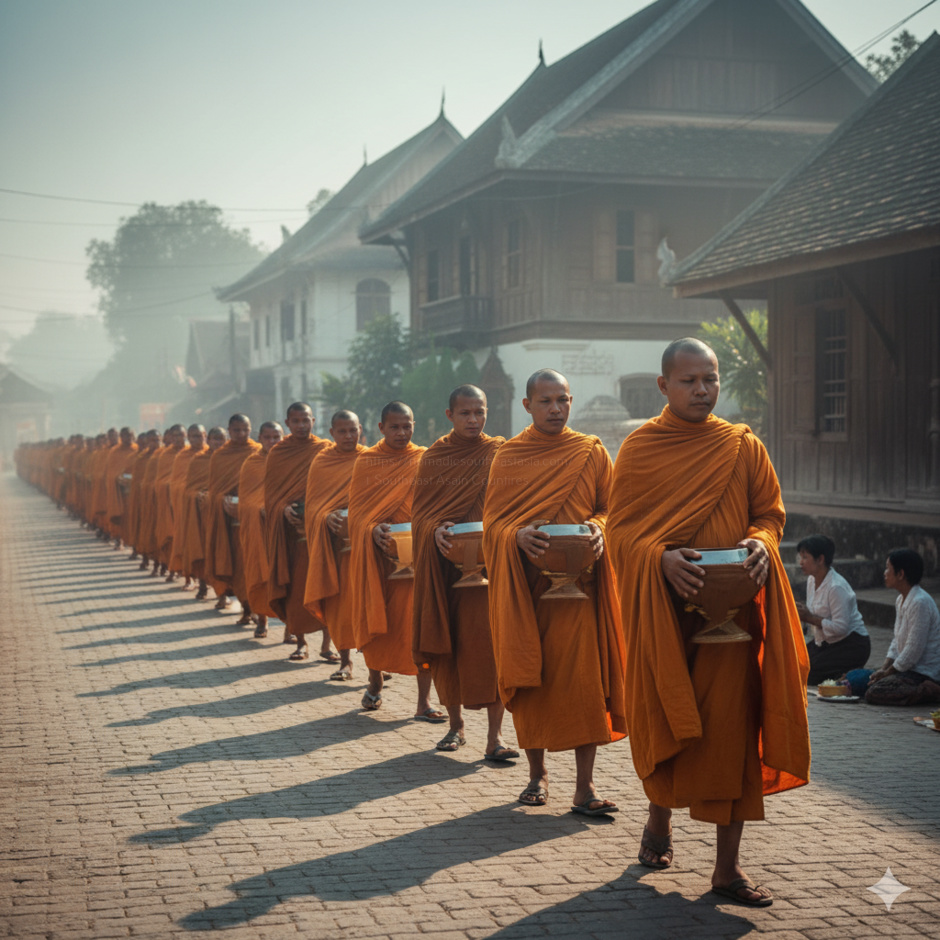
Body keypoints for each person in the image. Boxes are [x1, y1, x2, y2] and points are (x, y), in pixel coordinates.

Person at [607, 338, 809, 908]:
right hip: (668, 616)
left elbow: (769, 513)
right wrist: (659, 558)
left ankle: (726, 870)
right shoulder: (642, 448)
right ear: (664, 386)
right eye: (690, 380)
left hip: (733, 620)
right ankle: (658, 823)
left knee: (732, 735)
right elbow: (619, 532)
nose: (702, 390)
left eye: (711, 379)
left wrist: (762, 542)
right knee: (668, 719)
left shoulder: (742, 446)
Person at [482, 369, 626, 814]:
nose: (556, 409)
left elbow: (611, 509)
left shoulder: (591, 452)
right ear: (527, 405)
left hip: (582, 593)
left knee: (586, 686)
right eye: (545, 401)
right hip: (531, 593)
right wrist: (515, 537)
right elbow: (493, 524)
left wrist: (600, 530)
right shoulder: (510, 457)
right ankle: (536, 775)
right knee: (533, 679)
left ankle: (585, 787)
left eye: (562, 400)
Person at [412, 385, 517, 758]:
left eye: (480, 412)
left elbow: (511, 507)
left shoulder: (500, 453)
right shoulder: (435, 458)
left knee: (493, 652)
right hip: (450, 573)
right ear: (450, 416)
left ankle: (496, 737)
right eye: (465, 413)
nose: (474, 420)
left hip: (492, 570)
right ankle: (455, 727)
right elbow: (421, 514)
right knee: (451, 645)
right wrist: (434, 529)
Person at [347, 401, 443, 720]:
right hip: (382, 561)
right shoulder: (368, 462)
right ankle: (375, 680)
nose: (402, 433)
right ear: (381, 428)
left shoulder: (425, 458)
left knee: (422, 630)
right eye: (394, 427)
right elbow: (358, 514)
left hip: (420, 558)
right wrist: (372, 530)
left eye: (407, 426)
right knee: (380, 623)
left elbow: (436, 504)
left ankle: (424, 702)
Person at [264, 402, 336, 660]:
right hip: (293, 535)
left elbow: (333, 489)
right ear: (288, 423)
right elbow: (271, 497)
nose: (302, 426)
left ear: (313, 421)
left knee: (326, 587)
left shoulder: (325, 450)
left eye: (306, 420)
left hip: (321, 532)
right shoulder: (278, 453)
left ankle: (327, 644)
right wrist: (283, 509)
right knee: (297, 590)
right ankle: (301, 642)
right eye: (296, 421)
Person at [303, 410, 365, 680]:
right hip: (338, 547)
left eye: (353, 430)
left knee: (371, 604)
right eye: (342, 431)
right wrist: (327, 517)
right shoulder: (322, 461)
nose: (349, 436)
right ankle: (345, 661)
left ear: (361, 429)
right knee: (341, 606)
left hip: (368, 545)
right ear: (332, 433)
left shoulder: (370, 458)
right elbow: (314, 506)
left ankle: (377, 663)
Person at [205, 414, 262, 626]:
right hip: (230, 523)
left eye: (245, 430)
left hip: (254, 520)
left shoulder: (257, 452)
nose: (241, 434)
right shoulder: (220, 456)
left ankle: (257, 610)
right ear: (229, 430)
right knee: (239, 569)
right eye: (237, 430)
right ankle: (247, 610)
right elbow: (214, 491)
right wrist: (223, 501)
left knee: (253, 568)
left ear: (250, 429)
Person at [866, 548, 940, 706]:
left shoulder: (920, 602)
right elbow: (896, 641)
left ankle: (931, 691)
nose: (885, 573)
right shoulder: (901, 599)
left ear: (900, 574)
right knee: (860, 681)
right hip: (905, 670)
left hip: (922, 673)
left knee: (875, 692)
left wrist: (888, 673)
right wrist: (884, 668)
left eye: (888, 568)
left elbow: (913, 649)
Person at [794, 534, 871, 684]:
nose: (801, 562)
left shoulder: (836, 587)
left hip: (850, 644)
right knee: (794, 663)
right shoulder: (811, 580)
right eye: (800, 557)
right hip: (826, 643)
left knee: (808, 673)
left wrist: (808, 617)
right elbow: (813, 613)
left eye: (805, 557)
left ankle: (849, 673)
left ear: (820, 559)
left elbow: (841, 627)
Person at [238, 421, 283, 638]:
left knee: (284, 576)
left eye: (277, 437)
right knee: (259, 573)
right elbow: (246, 500)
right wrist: (261, 508)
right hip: (259, 527)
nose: (273, 442)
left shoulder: (288, 460)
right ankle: (262, 620)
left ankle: (290, 627)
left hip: (284, 528)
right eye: (268, 437)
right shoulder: (252, 463)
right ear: (260, 439)